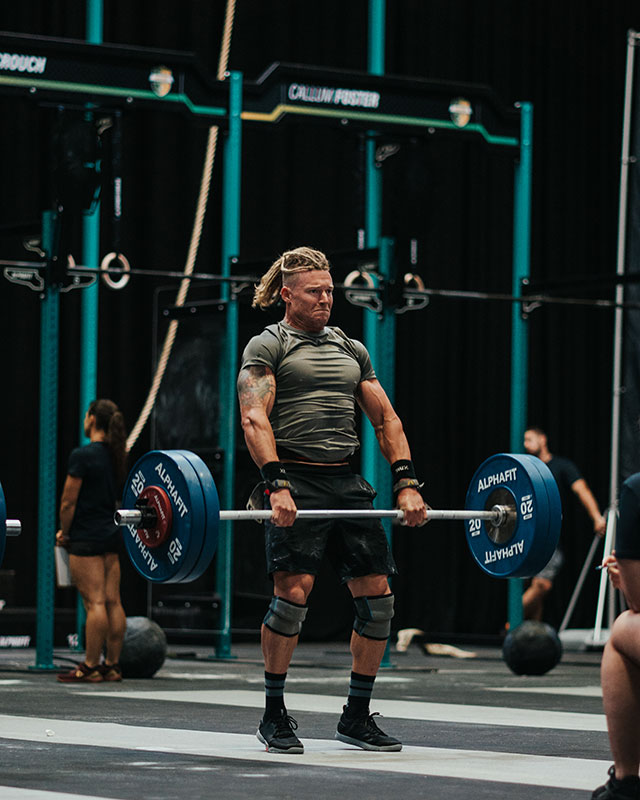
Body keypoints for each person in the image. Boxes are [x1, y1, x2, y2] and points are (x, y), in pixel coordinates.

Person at [237, 246, 427, 755]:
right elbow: (254, 417)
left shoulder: (351, 348)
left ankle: (356, 716)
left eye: (329, 292)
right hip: (293, 477)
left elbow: (386, 420)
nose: (326, 299)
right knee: (293, 595)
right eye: (315, 292)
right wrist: (276, 483)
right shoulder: (267, 345)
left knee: (379, 602)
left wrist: (407, 482)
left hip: (345, 482)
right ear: (287, 294)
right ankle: (274, 714)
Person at [55, 399, 128, 683]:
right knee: (113, 601)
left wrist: (65, 532)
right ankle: (111, 665)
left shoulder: (82, 456)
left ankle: (89, 666)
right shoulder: (117, 455)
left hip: (85, 538)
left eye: (86, 416)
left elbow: (67, 503)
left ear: (92, 419)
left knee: (94, 603)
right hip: (111, 536)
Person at [522, 427, 606, 621]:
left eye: (530, 439)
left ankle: (511, 622)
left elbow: (581, 490)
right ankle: (531, 640)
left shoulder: (560, 465)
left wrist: (596, 517)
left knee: (542, 585)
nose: (526, 444)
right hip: (525, 537)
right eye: (524, 441)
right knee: (535, 591)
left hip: (549, 540)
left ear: (543, 439)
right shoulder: (525, 467)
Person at [590, 473, 640, 799]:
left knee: (622, 627)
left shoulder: (637, 489)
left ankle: (626, 784)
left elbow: (639, 603)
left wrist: (623, 579)